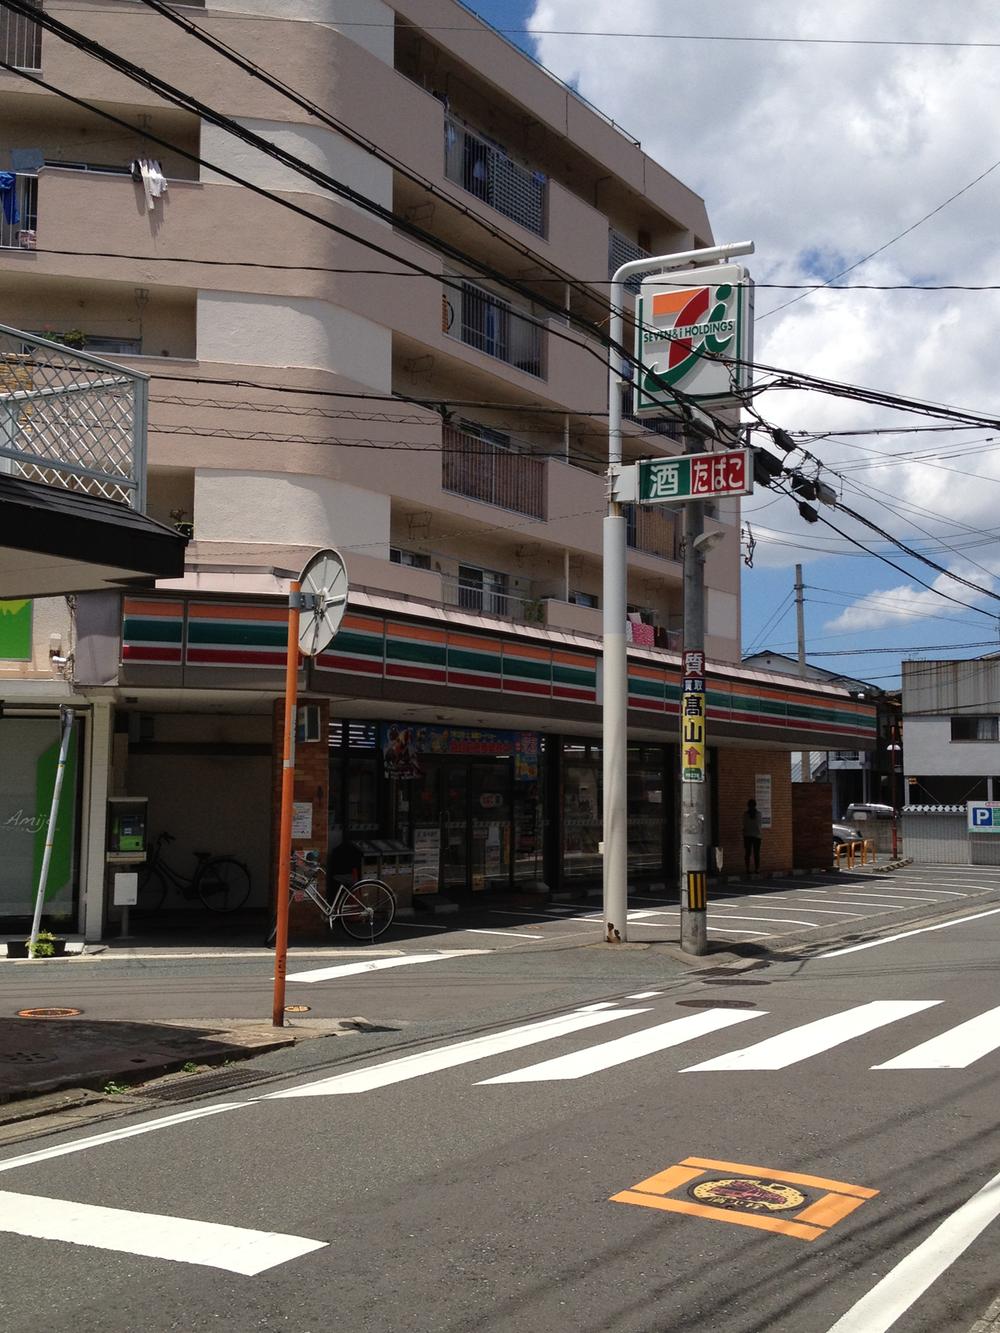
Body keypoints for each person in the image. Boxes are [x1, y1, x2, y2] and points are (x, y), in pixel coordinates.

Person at [743, 798, 763, 873]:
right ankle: (757, 869)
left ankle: (747, 868)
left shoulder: (745, 814)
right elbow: (759, 825)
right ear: (755, 805)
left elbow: (744, 825)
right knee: (756, 853)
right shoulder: (758, 814)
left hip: (747, 835)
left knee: (747, 853)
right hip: (757, 836)